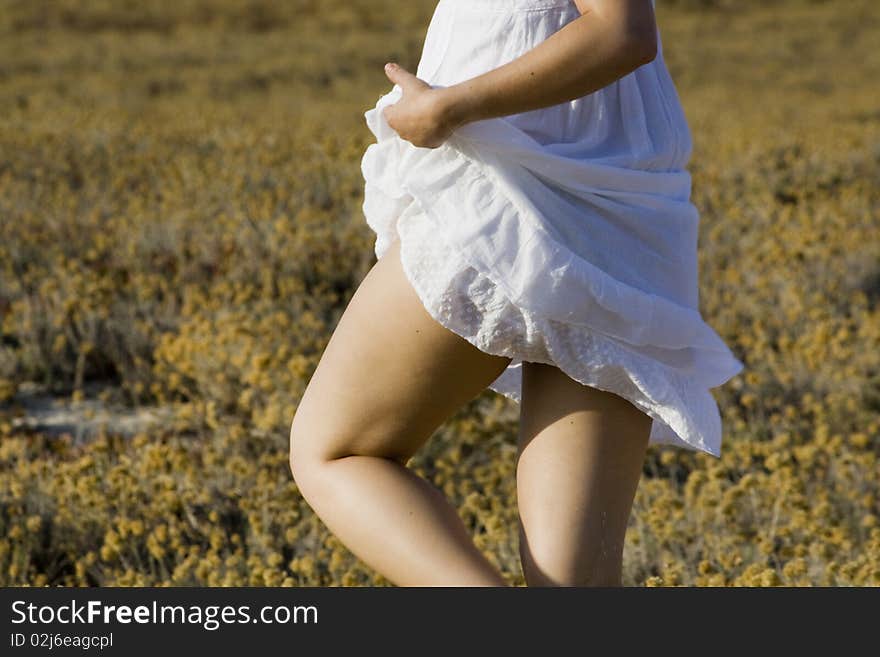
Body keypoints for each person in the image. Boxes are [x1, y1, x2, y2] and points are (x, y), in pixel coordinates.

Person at [289, 0, 744, 587]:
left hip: (506, 200)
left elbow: (621, 32)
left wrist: (448, 108)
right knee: (573, 587)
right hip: (618, 216)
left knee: (336, 453)